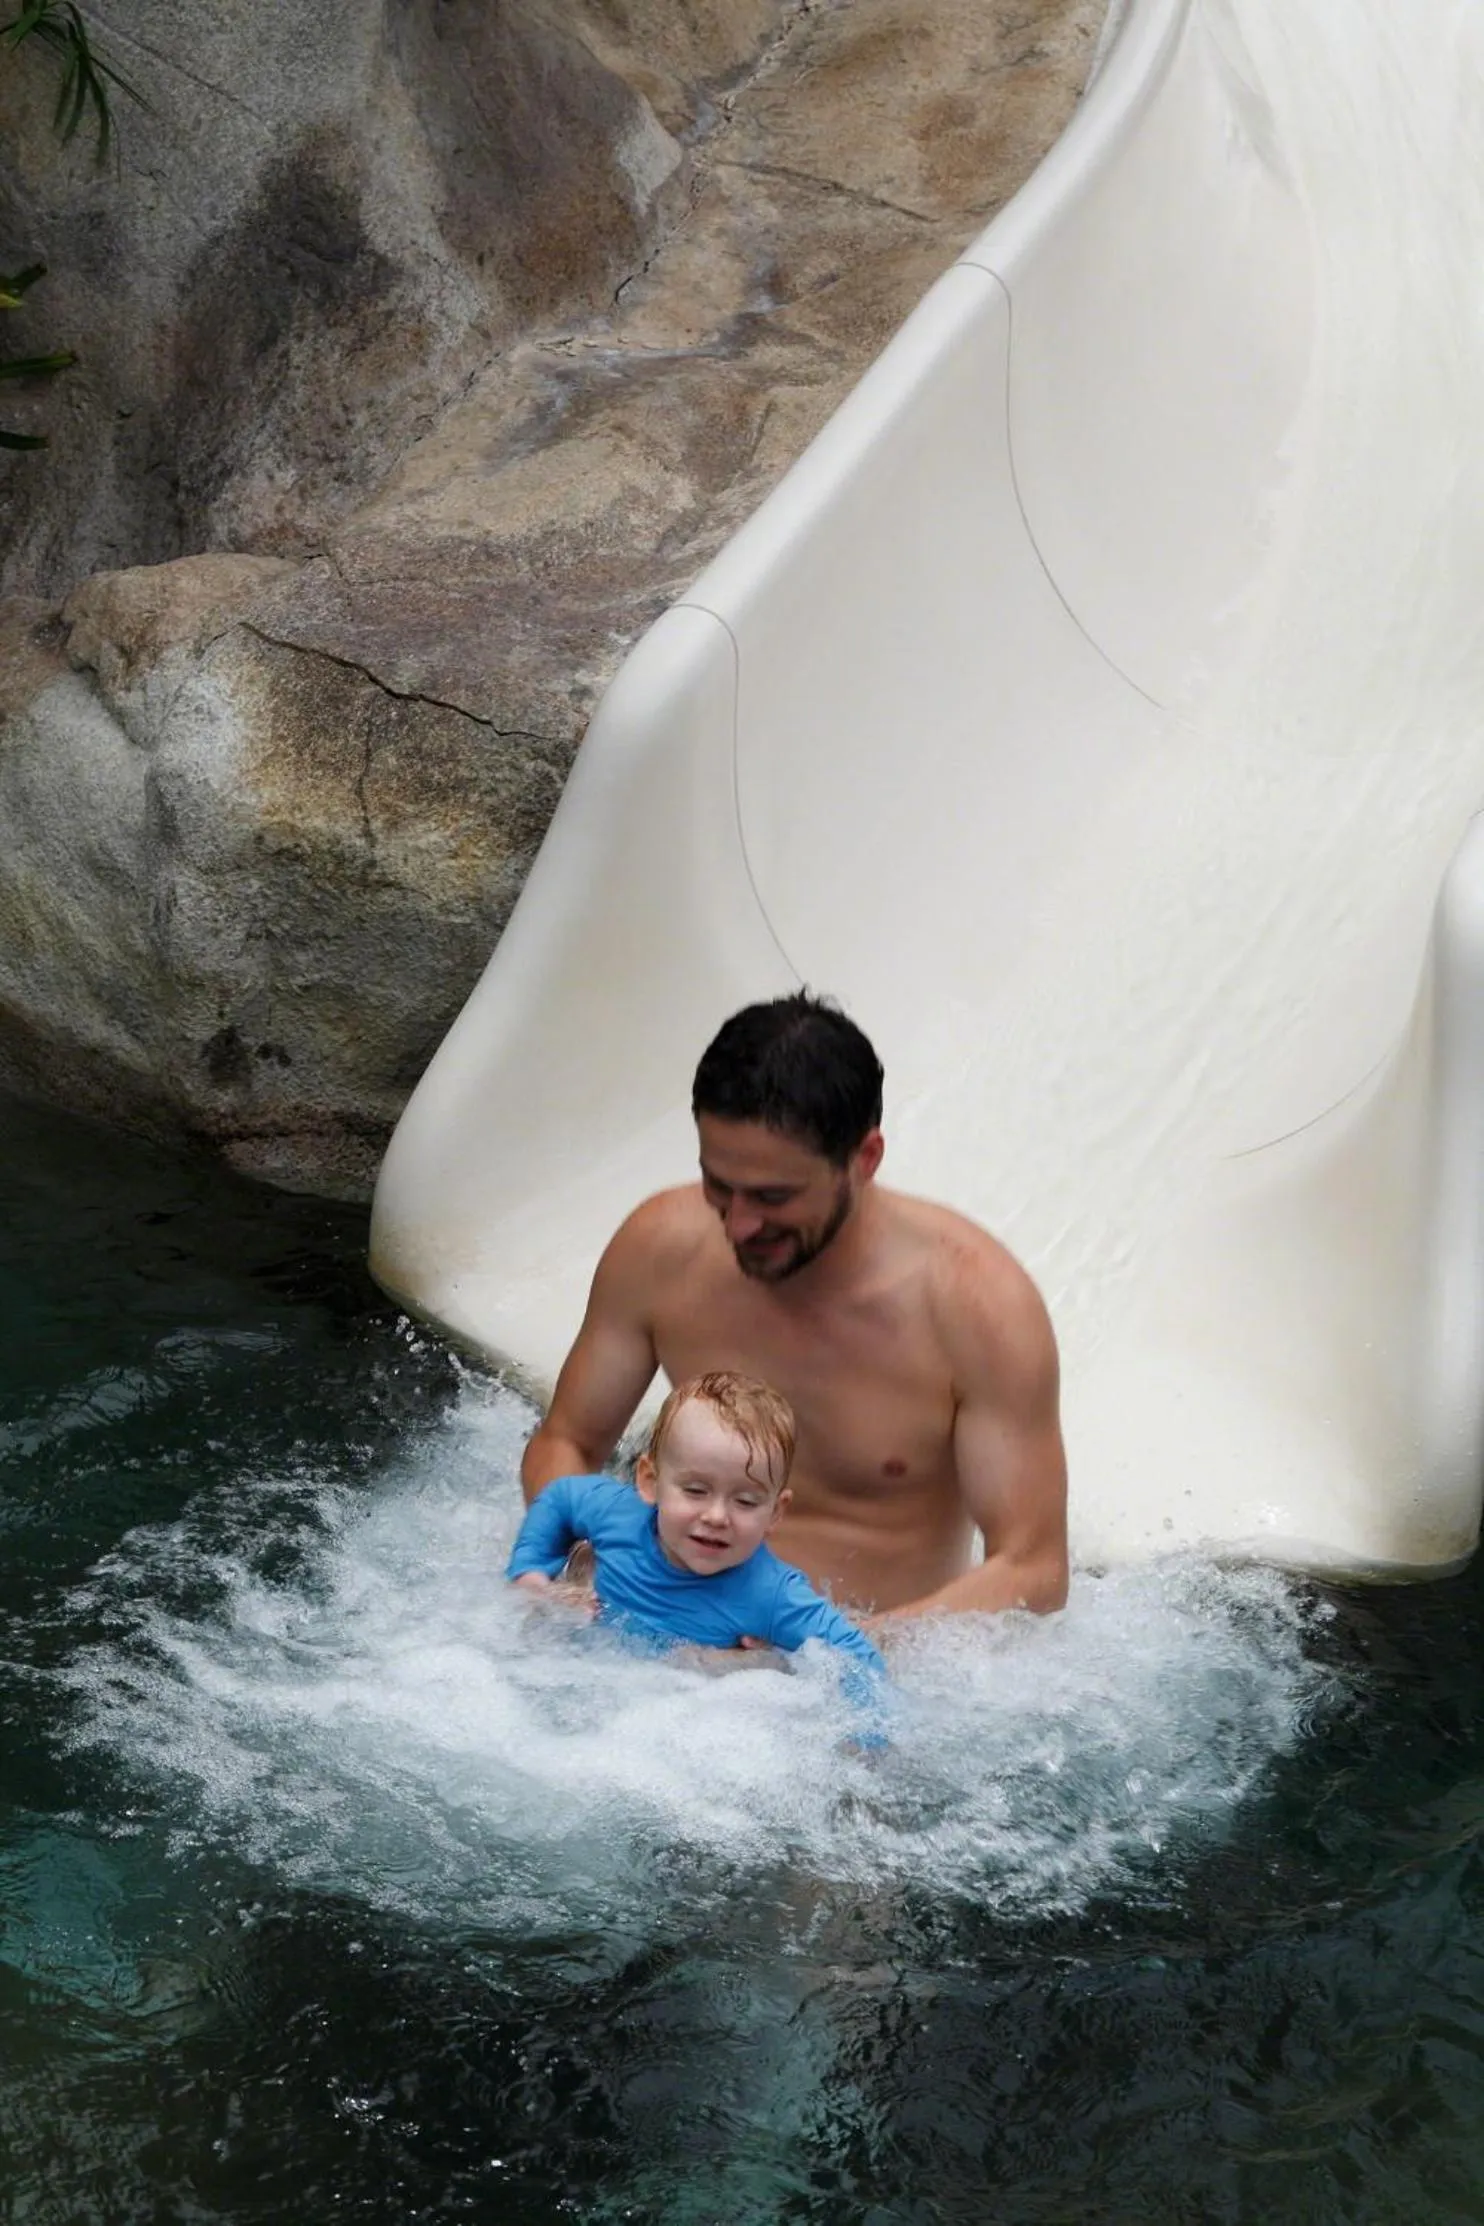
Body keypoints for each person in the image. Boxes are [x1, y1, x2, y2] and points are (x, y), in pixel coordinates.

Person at [520, 994, 1068, 1623]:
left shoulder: (976, 1307)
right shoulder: (659, 1250)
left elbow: (1034, 1569)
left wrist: (838, 1651)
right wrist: (588, 1562)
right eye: (718, 1186)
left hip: (844, 1684)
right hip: (655, 1631)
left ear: (864, 1160)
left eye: (773, 1196)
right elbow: (567, 1440)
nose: (740, 1223)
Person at [507, 1370, 886, 1697]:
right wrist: (532, 1575)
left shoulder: (771, 1595)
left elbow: (860, 1659)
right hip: (568, 1678)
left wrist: (861, 1745)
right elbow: (558, 1498)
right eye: (696, 1491)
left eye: (746, 1501)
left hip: (678, 1721)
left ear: (776, 1511)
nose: (717, 1516)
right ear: (650, 1481)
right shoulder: (618, 1515)